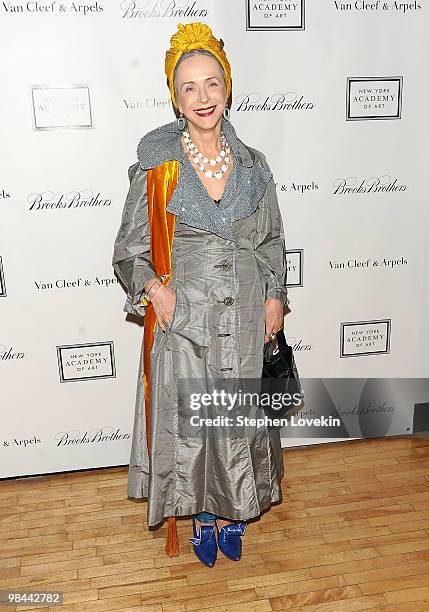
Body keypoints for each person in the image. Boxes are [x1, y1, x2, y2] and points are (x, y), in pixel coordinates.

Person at [112, 22, 290, 568]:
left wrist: (275, 298)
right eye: (189, 87)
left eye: (212, 83)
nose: (203, 97)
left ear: (227, 87)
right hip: (182, 319)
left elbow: (271, 239)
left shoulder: (254, 164)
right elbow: (128, 249)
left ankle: (233, 513)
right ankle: (203, 517)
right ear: (174, 94)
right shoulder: (157, 165)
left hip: (242, 314)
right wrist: (153, 292)